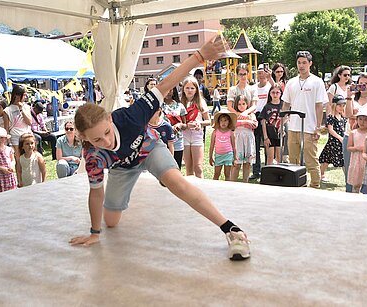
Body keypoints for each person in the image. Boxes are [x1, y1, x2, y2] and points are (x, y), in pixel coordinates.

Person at [68, 36, 251, 261]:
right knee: (112, 222)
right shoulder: (93, 156)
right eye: (96, 140)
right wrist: (95, 233)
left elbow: (166, 85)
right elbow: (96, 192)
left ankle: (231, 229)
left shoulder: (131, 116)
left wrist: (200, 56)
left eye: (106, 133)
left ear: (109, 118)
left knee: (176, 181)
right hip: (122, 168)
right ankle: (124, 195)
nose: (105, 142)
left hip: (149, 148)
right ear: (85, 139)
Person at [281, 51, 328, 189]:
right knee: (293, 159)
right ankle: (295, 184)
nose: (301, 66)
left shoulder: (317, 81)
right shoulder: (291, 82)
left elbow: (319, 106)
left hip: (310, 126)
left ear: (310, 64)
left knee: (311, 159)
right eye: (299, 62)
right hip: (293, 126)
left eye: (304, 63)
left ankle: (315, 185)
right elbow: (286, 104)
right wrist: (282, 122)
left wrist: (318, 127)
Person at [344, 73, 367, 192]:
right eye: (361, 83)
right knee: (350, 167)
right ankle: (349, 193)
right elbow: (347, 114)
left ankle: (366, 194)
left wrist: (356, 116)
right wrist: (349, 97)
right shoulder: (353, 98)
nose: (363, 86)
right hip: (351, 134)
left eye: (366, 83)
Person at [181, 75, 210, 178]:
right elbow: (178, 121)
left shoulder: (200, 102)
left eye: (192, 88)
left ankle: (201, 188)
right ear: (183, 89)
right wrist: (186, 125)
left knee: (198, 167)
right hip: (185, 136)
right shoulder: (181, 103)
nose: (189, 90)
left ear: (196, 89)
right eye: (187, 88)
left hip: (197, 136)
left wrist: (199, 123)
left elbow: (208, 121)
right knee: (188, 168)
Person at [318, 95, 347, 182]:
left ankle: (347, 177)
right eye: (339, 105)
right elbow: (330, 130)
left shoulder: (343, 118)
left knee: (343, 160)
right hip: (333, 142)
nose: (341, 108)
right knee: (327, 160)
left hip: (341, 142)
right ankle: (321, 174)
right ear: (334, 105)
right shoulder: (331, 117)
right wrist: (339, 137)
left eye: (343, 105)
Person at [251, 64, 272, 180]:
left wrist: (271, 78)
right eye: (258, 72)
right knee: (256, 145)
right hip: (256, 116)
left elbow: (278, 89)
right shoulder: (253, 87)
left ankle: (267, 169)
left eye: (262, 72)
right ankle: (256, 170)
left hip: (267, 117)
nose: (260, 74)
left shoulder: (269, 86)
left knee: (267, 144)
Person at [232, 95, 257, 182]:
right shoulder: (234, 114)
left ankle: (245, 183)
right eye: (239, 104)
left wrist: (247, 121)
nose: (241, 106)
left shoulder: (251, 114)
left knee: (247, 163)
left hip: (248, 139)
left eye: (243, 104)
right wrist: (245, 121)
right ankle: (232, 183)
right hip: (238, 139)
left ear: (247, 105)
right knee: (236, 164)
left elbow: (254, 124)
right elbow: (233, 124)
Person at [347, 109, 367, 193]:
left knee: (366, 180)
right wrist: (357, 148)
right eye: (360, 119)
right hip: (356, 159)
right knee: (356, 181)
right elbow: (349, 147)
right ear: (357, 120)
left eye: (365, 120)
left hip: (366, 160)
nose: (362, 122)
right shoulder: (353, 133)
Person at [161, 87, 187, 169]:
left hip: (177, 141)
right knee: (164, 168)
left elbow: (185, 125)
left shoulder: (180, 106)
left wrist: (180, 125)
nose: (168, 92)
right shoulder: (158, 105)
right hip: (162, 141)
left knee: (176, 166)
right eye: (166, 90)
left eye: (170, 90)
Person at [209, 110, 237, 180]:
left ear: (229, 122)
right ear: (218, 122)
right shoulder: (215, 132)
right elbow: (212, 145)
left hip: (228, 155)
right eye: (221, 120)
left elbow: (234, 146)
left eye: (225, 120)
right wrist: (210, 157)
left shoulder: (231, 132)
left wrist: (235, 158)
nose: (223, 123)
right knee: (216, 174)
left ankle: (227, 189)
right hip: (218, 155)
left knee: (227, 174)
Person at [260, 84, 283, 165]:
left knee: (279, 157)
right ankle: (269, 176)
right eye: (273, 92)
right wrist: (266, 137)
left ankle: (279, 175)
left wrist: (282, 126)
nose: (275, 95)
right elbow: (263, 122)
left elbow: (288, 117)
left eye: (277, 92)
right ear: (270, 94)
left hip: (280, 134)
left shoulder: (284, 105)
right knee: (270, 157)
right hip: (269, 134)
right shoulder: (267, 106)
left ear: (281, 93)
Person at [0, 127, 17, 193]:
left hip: (9, 174)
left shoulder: (9, 149)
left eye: (1, 137)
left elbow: (13, 160)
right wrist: (2, 168)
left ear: (5, 139)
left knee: (11, 191)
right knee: (0, 193)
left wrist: (11, 166)